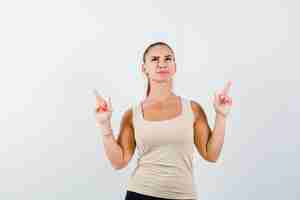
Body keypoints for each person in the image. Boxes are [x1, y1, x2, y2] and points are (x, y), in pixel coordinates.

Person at [94, 41, 233, 200]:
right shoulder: (132, 115)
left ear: (175, 66)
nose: (162, 63)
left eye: (168, 59)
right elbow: (119, 162)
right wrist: (104, 124)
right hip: (141, 193)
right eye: (154, 59)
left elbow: (211, 155)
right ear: (144, 68)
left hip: (184, 196)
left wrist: (221, 116)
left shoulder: (193, 109)